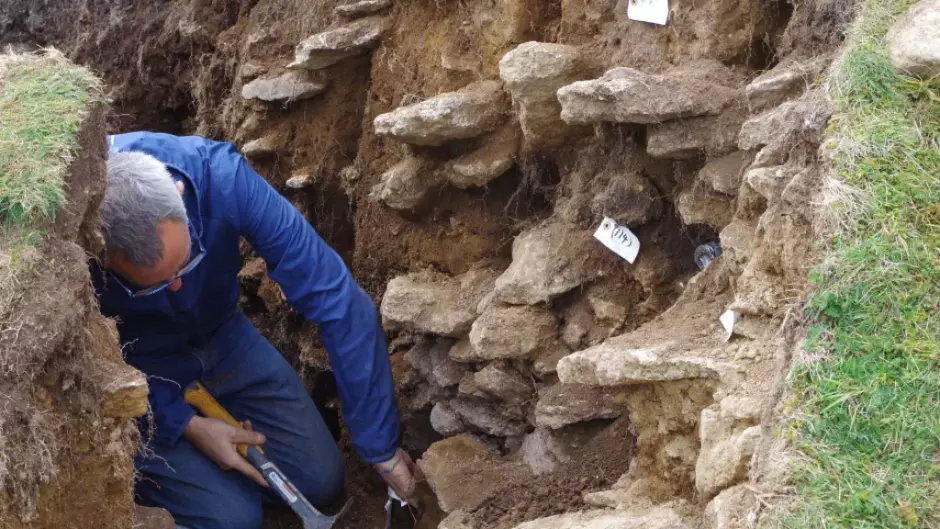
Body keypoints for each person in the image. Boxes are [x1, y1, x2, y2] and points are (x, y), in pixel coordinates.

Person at [90, 132, 415, 529]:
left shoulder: (220, 178)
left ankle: (209, 475)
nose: (177, 287)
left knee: (320, 480)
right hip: (140, 367)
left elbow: (339, 301)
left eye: (185, 264)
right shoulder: (75, 240)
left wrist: (380, 447)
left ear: (178, 195)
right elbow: (88, 371)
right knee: (233, 519)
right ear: (101, 250)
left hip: (223, 335)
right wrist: (186, 425)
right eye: (154, 284)